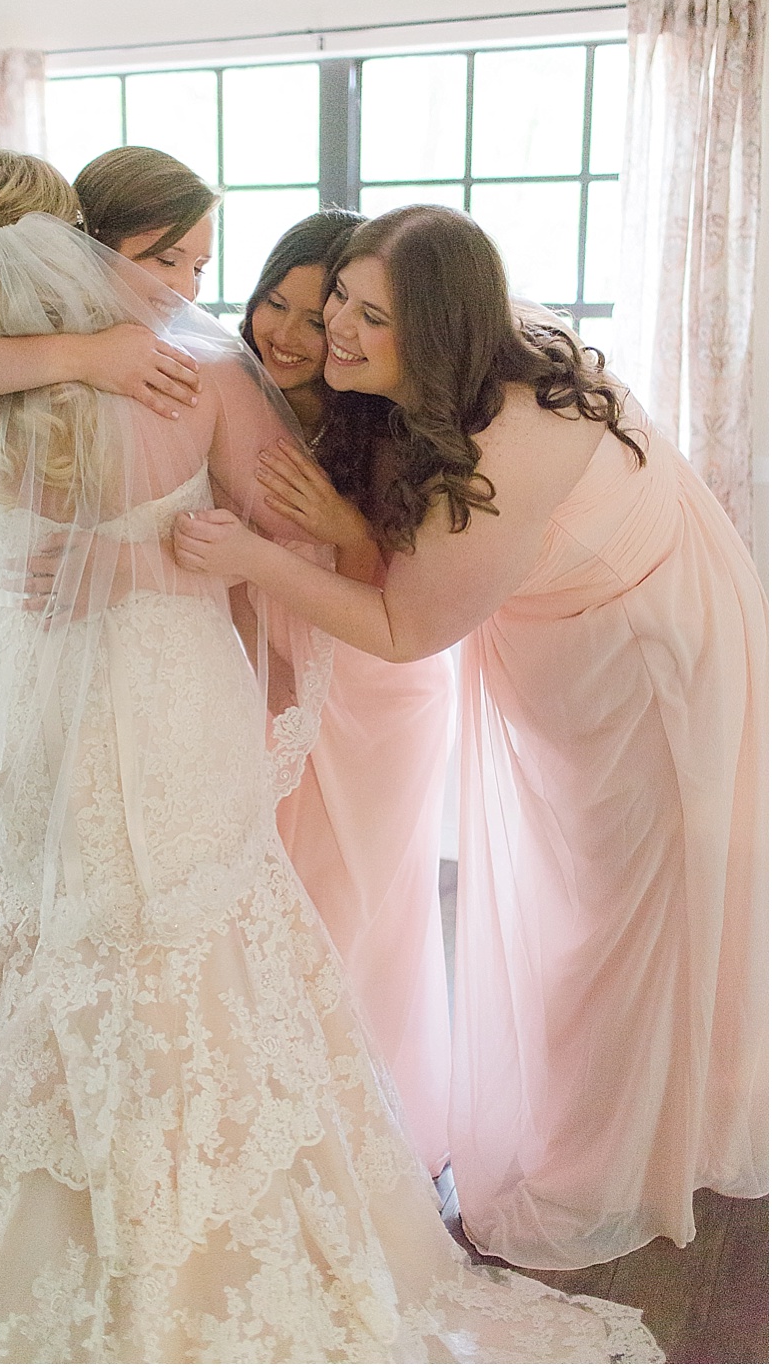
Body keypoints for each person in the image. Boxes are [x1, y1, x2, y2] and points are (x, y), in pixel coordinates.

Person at [0, 150, 657, 1361]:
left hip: (42, 707)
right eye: (171, 256)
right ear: (89, 246)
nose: (189, 279)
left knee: (83, 925)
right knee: (172, 931)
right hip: (165, 691)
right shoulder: (194, 370)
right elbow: (282, 523)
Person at [175, 202, 765, 1271]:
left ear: (441, 328)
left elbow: (403, 627)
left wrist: (252, 560)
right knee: (599, 896)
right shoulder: (487, 360)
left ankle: (608, 1162)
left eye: (372, 318)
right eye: (340, 300)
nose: (337, 334)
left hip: (644, 667)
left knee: (625, 906)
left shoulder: (495, 461)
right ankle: (667, 1104)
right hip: (577, 639)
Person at [241, 211, 456, 1173]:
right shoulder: (225, 385)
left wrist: (336, 517)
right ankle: (275, 1126)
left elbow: (399, 594)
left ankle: (353, 1142)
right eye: (277, 300)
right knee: (275, 908)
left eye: (320, 306)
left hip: (375, 691)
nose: (293, 330)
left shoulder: (382, 421)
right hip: (273, 687)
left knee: (354, 909)